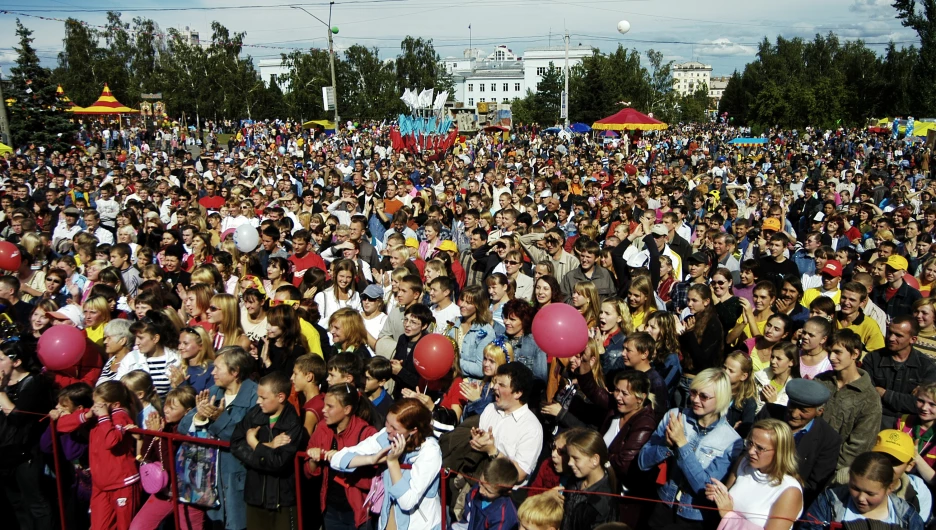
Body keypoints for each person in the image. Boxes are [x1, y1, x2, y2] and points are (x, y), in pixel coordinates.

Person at [638, 368, 745, 529]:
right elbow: (642, 462)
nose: (695, 399)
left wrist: (682, 444)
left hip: (694, 517)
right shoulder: (675, 416)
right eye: (693, 392)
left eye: (704, 396)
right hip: (663, 504)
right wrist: (666, 446)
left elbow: (704, 489)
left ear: (721, 398)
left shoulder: (730, 440)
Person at [330, 398, 443, 530]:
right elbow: (337, 459)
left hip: (420, 525)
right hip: (387, 522)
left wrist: (393, 462)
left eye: (394, 428)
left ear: (413, 430)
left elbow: (407, 501)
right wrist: (371, 459)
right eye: (387, 422)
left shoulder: (429, 451)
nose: (388, 429)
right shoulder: (387, 436)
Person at [179, 347, 259, 530]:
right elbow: (183, 427)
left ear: (235, 371)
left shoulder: (255, 396)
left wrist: (219, 419)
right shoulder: (214, 391)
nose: (212, 372)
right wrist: (198, 417)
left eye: (217, 368)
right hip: (210, 482)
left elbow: (243, 437)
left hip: (238, 480)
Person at [570, 356, 655, 527]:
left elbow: (625, 463)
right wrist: (585, 364)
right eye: (616, 390)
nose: (617, 397)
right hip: (598, 485)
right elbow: (593, 390)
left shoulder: (645, 422)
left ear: (640, 398)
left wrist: (597, 459)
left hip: (621, 496)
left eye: (625, 393)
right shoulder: (616, 409)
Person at [56, 380, 141, 530]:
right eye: (95, 403)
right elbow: (62, 426)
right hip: (101, 484)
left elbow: (111, 441)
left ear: (114, 404)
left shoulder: (120, 416)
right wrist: (88, 415)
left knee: (124, 526)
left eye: (100, 404)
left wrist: (103, 417)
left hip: (122, 483)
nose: (96, 408)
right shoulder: (97, 415)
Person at [230, 372, 308, 530]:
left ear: (280, 397)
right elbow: (236, 443)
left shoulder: (292, 423)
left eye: (263, 398)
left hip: (282, 499)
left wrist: (254, 443)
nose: (258, 401)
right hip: (255, 495)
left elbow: (278, 462)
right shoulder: (254, 414)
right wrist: (268, 446)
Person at [704, 419, 803, 530]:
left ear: (780, 452)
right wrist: (719, 494)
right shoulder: (743, 463)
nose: (751, 451)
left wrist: (729, 516)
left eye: (760, 448)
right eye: (750, 443)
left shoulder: (789, 491)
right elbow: (727, 503)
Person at [815, 330, 884, 484]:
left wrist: (827, 469)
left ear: (855, 354)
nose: (831, 357)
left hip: (834, 475)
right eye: (829, 352)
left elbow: (858, 447)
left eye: (838, 352)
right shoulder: (821, 381)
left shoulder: (869, 398)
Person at [306, 383, 377, 530]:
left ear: (347, 409)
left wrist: (343, 461)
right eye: (324, 405)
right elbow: (308, 472)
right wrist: (313, 459)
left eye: (330, 407)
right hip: (330, 509)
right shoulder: (322, 428)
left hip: (357, 513)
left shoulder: (367, 433)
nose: (323, 410)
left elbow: (373, 481)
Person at [0, 340, 54, 530]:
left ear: (16, 362)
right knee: (16, 502)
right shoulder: (5, 384)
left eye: (0, 359)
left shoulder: (34, 382)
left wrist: (0, 392)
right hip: (5, 451)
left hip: (26, 452)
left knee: (35, 502)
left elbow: (17, 418)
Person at [800, 452, 925, 530]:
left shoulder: (907, 518)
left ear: (889, 489)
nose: (860, 498)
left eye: (870, 493)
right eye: (855, 488)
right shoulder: (828, 503)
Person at [472, 362, 544, 485]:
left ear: (518, 393)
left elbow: (520, 473)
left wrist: (493, 452)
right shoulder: (490, 409)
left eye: (501, 385)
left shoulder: (531, 428)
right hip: (476, 483)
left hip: (504, 496)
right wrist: (479, 439)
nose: (495, 387)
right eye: (495, 383)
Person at [863, 315, 936, 429]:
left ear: (913, 339)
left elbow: (921, 404)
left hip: (910, 424)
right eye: (890, 332)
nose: (891, 338)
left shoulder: (927, 366)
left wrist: (884, 393)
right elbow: (868, 396)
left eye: (898, 335)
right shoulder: (872, 359)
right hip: (876, 419)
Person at [559, 429, 617, 530]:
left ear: (595, 460)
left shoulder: (601, 504)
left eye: (575, 458)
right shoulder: (576, 480)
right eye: (569, 457)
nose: (569, 463)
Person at [871, 429, 932, 522]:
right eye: (881, 458)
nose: (886, 466)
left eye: (895, 462)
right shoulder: (847, 479)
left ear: (909, 465)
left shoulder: (918, 492)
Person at [452, 457, 519, 530]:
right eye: (480, 483)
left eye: (488, 491)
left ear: (505, 492)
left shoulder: (503, 517)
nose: (481, 490)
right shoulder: (476, 490)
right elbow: (465, 520)